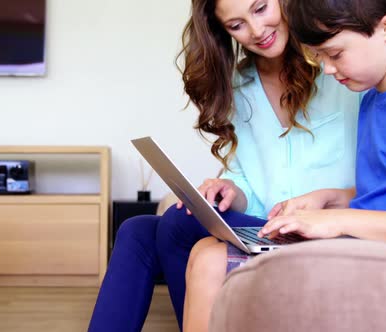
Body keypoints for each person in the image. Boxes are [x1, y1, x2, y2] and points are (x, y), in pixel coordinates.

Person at [183, 0, 386, 330]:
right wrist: (330, 198)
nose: (326, 69)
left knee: (212, 261)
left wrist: (338, 220)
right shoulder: (376, 100)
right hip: (366, 245)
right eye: (319, 57)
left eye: (335, 55)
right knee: (205, 249)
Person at [87, 0, 362, 329]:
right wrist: (229, 188)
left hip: (320, 227)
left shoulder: (339, 65)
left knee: (175, 223)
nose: (257, 31)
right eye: (236, 25)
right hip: (265, 225)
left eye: (260, 9)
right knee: (136, 230)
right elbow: (246, 176)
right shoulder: (238, 85)